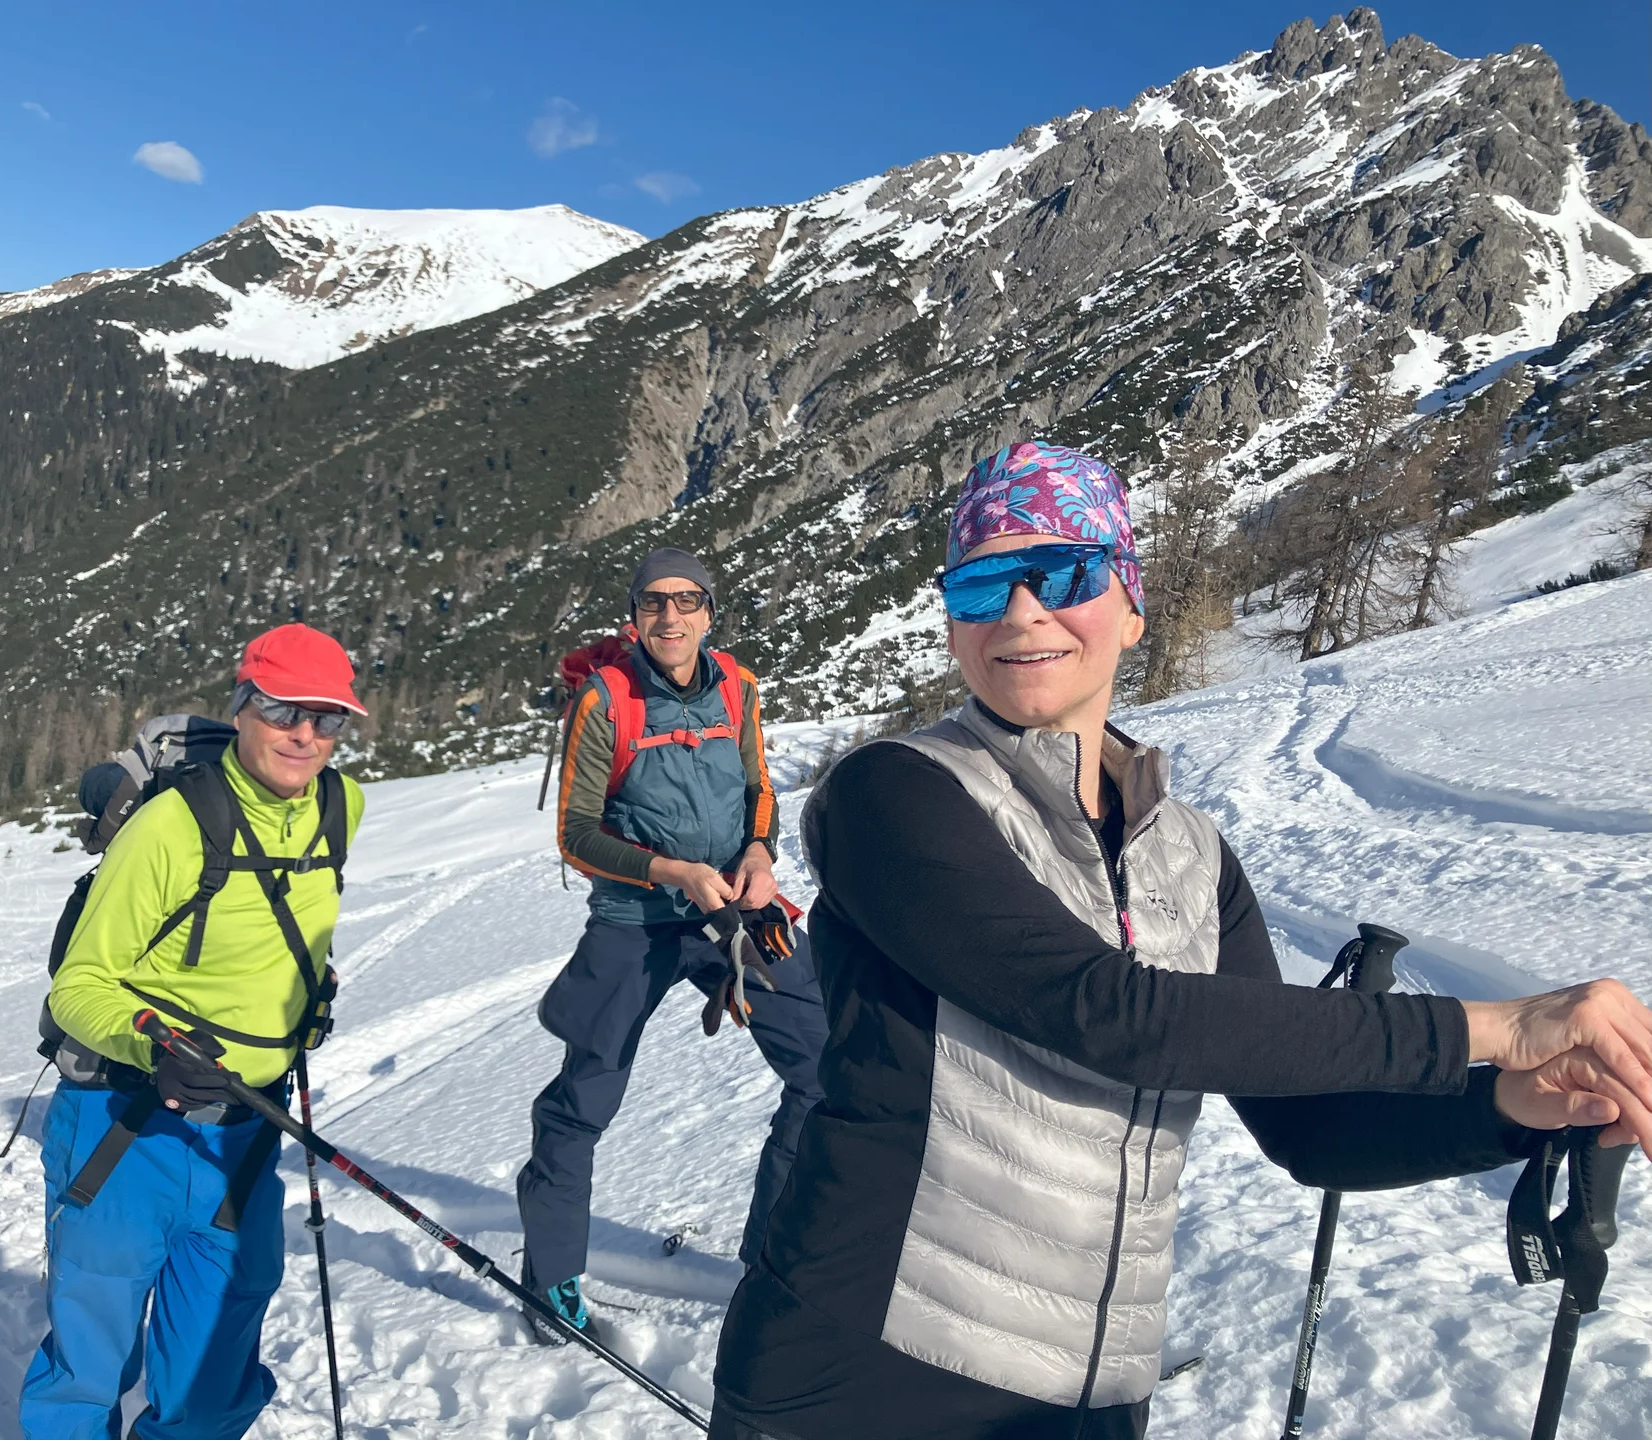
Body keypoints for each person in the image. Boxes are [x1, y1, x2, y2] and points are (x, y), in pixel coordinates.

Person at [708, 442, 1652, 1440]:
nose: (1022, 613)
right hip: (864, 1384)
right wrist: (1496, 1026)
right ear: (954, 624)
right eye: (984, 584)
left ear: (1129, 604)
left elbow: (1312, 1131)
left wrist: (1511, 1102)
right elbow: (1107, 1013)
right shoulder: (892, 794)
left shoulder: (1192, 857)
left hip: (1092, 1400)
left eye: (1064, 574)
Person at [20, 623, 367, 1440]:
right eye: (286, 711)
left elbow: (283, 929)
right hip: (123, 1128)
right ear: (244, 705)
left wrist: (308, 993)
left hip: (247, 1135)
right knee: (89, 1370)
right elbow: (79, 986)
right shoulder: (171, 826)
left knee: (212, 1386)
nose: (306, 736)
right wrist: (154, 1047)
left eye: (329, 719)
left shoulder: (339, 807)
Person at [516, 547, 829, 1339]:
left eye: (688, 601)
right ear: (635, 616)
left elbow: (760, 792)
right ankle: (550, 1278)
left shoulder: (739, 686)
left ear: (709, 612)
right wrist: (672, 871)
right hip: (636, 920)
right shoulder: (605, 701)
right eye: (655, 603)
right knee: (582, 1101)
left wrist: (759, 855)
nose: (672, 617)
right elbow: (576, 834)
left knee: (827, 1064)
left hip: (732, 909)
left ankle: (774, 1262)